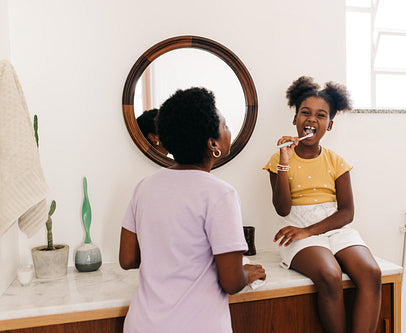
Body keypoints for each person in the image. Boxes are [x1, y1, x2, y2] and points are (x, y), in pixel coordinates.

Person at [120, 87, 266, 333]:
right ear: (212, 144)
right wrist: (245, 274)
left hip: (141, 324)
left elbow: (128, 259)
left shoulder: (144, 187)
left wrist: (171, 260)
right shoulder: (220, 193)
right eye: (225, 125)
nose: (229, 130)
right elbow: (231, 281)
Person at [263, 76, 381, 333]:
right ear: (295, 119)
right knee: (329, 275)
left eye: (320, 115)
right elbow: (282, 209)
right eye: (305, 113)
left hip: (333, 228)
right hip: (296, 230)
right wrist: (284, 161)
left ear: (329, 125)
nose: (311, 120)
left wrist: (310, 230)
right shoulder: (278, 159)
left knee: (372, 272)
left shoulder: (337, 161)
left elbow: (347, 213)